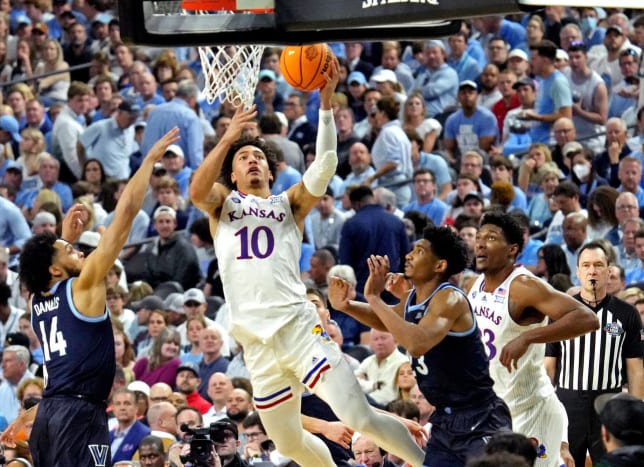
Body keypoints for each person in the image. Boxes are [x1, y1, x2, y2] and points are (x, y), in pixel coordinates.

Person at [189, 67, 425, 466]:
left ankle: (427, 463)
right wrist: (229, 137)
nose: (251, 161)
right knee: (288, 444)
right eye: (243, 158)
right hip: (257, 344)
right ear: (231, 174)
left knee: (357, 416)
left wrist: (326, 105)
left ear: (270, 171)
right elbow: (195, 190)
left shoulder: (289, 204)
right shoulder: (222, 205)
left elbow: (327, 163)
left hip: (299, 329)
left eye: (258, 157)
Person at [0, 128, 180, 466]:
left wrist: (64, 238)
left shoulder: (37, 303)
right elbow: (124, 216)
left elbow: (49, 273)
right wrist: (150, 161)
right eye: (70, 250)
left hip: (53, 413)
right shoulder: (83, 286)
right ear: (55, 269)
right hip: (78, 415)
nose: (79, 250)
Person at [330, 226, 512, 465]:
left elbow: (417, 344)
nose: (408, 255)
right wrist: (347, 306)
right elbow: (386, 320)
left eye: (419, 251)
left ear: (439, 266)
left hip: (480, 417)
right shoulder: (414, 299)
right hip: (445, 420)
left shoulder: (449, 298)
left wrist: (374, 297)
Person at [467, 212, 600, 467]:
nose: (480, 243)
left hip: (531, 409)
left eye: (491, 238)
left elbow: (587, 318)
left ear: (512, 250)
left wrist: (528, 337)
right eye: (479, 237)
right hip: (494, 411)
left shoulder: (524, 286)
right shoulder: (474, 285)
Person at [545, 242, 644, 467]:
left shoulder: (626, 313)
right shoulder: (561, 312)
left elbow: (635, 367)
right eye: (586, 265)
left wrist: (636, 412)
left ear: (609, 271)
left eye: (599, 265)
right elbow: (549, 366)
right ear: (578, 271)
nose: (592, 271)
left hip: (609, 402)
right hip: (567, 402)